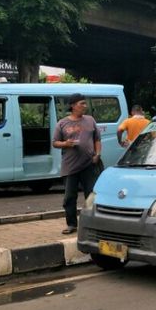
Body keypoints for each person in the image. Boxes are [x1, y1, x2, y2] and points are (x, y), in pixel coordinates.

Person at [52, 93, 101, 235]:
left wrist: (97, 154)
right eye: (82, 104)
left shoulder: (90, 120)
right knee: (69, 197)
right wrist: (66, 144)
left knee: (91, 196)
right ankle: (72, 224)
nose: (85, 106)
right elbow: (54, 143)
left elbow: (97, 139)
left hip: (89, 165)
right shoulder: (62, 123)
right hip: (70, 166)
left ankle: (93, 224)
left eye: (85, 103)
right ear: (73, 106)